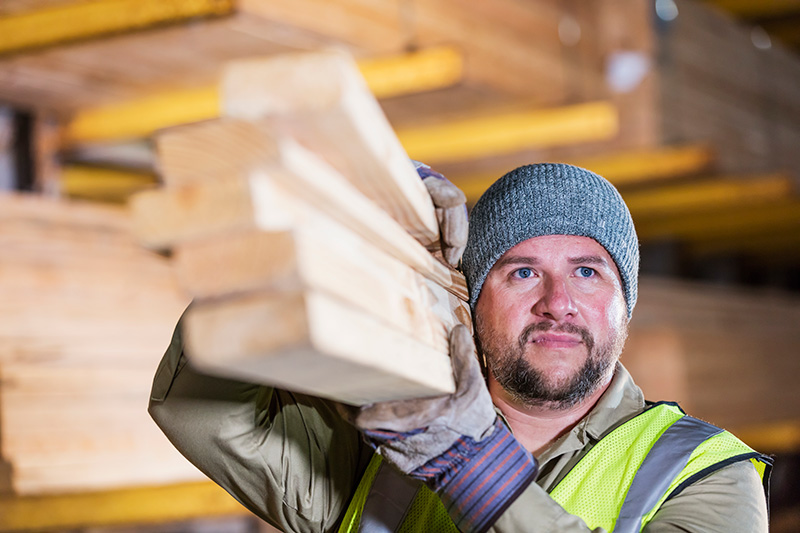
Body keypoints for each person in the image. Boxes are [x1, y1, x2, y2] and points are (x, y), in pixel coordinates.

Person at [149, 163, 771, 532]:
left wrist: (471, 465)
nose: (558, 301)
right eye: (522, 271)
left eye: (588, 271)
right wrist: (305, 257)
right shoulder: (381, 437)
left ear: (624, 304)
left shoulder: (704, 476)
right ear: (471, 300)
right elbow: (201, 409)